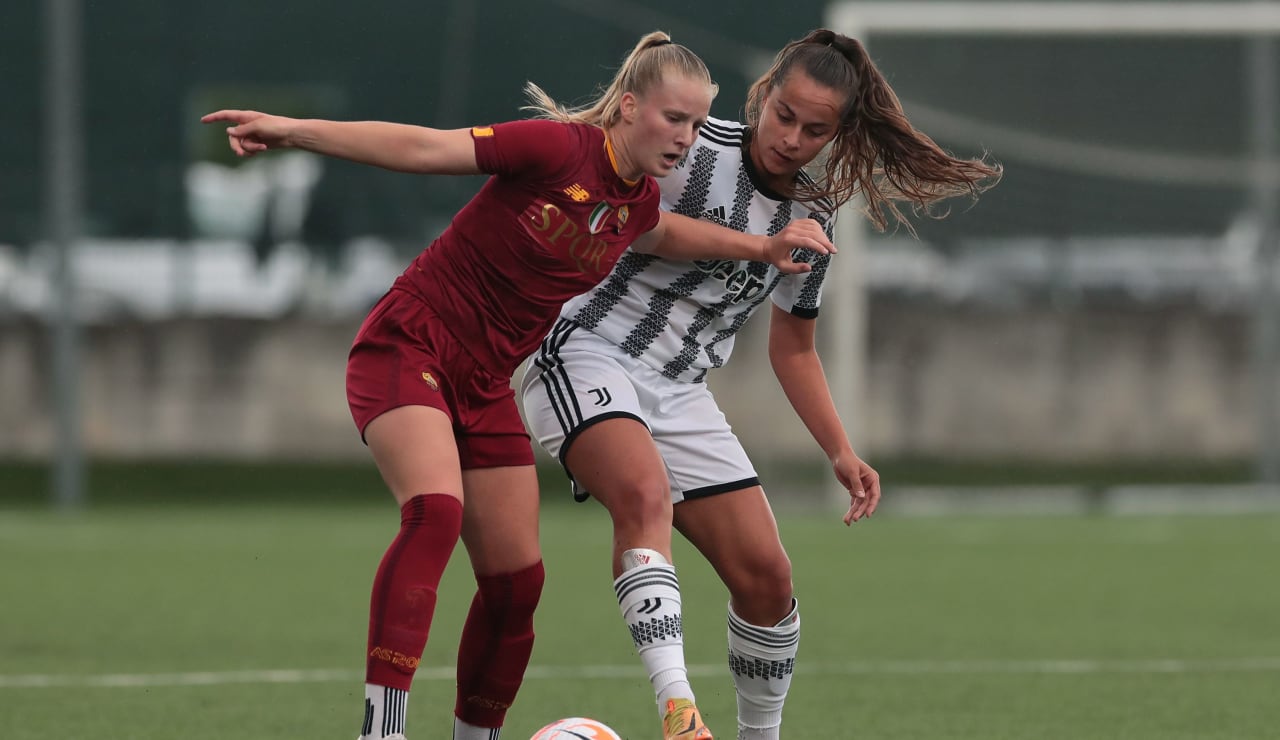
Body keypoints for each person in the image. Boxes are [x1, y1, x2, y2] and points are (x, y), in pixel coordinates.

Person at [202, 32, 835, 740]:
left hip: (487, 382)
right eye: (673, 118)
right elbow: (422, 149)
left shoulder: (634, 205)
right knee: (435, 513)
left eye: (694, 124)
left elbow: (669, 235)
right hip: (411, 343)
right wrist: (295, 131)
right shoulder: (555, 148)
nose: (687, 139)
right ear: (628, 107)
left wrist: (765, 247)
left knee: (516, 585)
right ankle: (381, 731)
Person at [520, 28, 1002, 740]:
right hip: (589, 351)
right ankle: (680, 713)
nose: (792, 138)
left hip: (682, 391)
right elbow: (616, 201)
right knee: (644, 494)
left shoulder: (814, 214)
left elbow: (795, 348)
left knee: (769, 581)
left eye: (816, 129)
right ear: (763, 93)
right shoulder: (691, 147)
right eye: (784, 115)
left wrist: (841, 450)